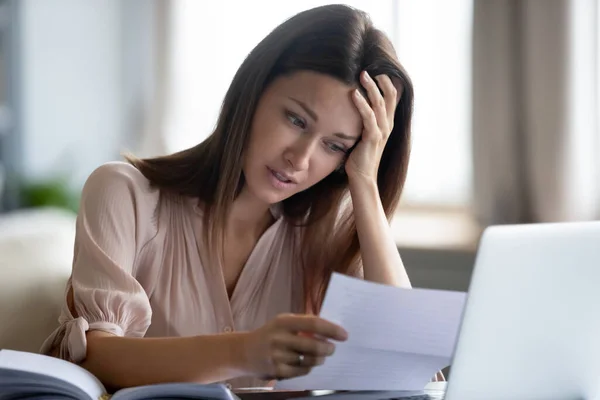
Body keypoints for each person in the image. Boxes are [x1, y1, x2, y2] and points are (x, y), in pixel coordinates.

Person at [40, 3, 420, 392]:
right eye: (296, 119)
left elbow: (407, 369)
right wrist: (246, 350)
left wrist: (366, 184)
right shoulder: (125, 195)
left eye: (335, 145)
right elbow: (95, 356)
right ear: (252, 93)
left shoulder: (328, 230)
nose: (300, 159)